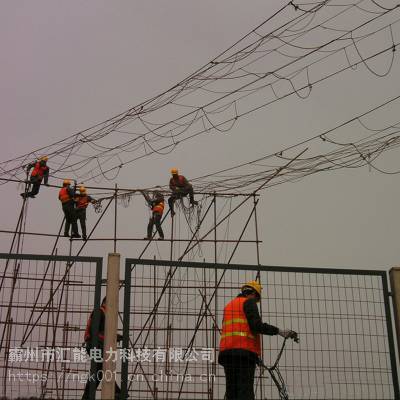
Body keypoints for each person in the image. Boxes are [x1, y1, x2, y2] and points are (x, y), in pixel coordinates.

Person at [219, 280, 298, 400]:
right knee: (245, 393)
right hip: (244, 355)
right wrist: (279, 331)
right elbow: (256, 326)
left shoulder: (229, 306)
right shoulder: (249, 302)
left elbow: (235, 330)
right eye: (256, 299)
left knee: (232, 393)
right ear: (254, 294)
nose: (256, 302)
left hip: (227, 354)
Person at [82, 297, 122, 400]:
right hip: (95, 345)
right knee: (101, 369)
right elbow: (95, 332)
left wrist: (114, 337)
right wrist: (112, 337)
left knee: (101, 370)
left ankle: (116, 392)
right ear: (105, 303)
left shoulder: (103, 313)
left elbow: (101, 332)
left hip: (97, 345)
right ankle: (116, 392)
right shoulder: (99, 312)